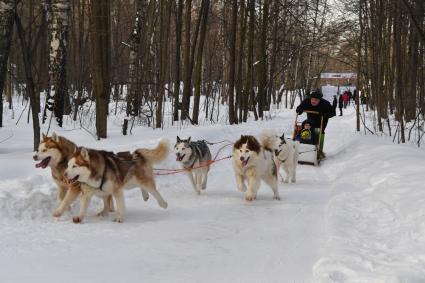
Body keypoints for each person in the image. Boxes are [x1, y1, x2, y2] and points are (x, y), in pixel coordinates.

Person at [296, 89, 336, 157]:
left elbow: (333, 113)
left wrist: (325, 114)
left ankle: (319, 151)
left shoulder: (325, 104)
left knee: (319, 133)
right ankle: (303, 148)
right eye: (312, 99)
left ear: (320, 100)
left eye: (316, 100)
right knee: (306, 131)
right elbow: (299, 108)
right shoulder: (306, 101)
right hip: (310, 121)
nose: (313, 101)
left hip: (321, 121)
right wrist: (299, 110)